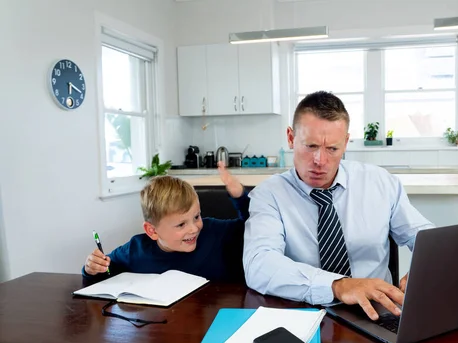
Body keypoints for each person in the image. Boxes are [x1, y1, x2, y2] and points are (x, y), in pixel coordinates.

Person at [243, 91, 434, 320]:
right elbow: (259, 264)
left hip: (378, 312)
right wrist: (337, 286)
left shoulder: (380, 183)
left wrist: (424, 268)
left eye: (332, 149)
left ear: (345, 143)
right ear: (291, 138)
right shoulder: (269, 195)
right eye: (311, 146)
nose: (320, 161)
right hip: (302, 314)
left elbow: (425, 237)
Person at [82, 162, 248, 282]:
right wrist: (91, 268)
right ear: (152, 231)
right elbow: (105, 274)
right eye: (181, 224)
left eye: (196, 217)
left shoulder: (213, 231)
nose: (193, 228)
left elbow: (251, 227)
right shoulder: (134, 250)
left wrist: (240, 197)